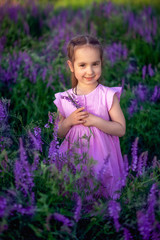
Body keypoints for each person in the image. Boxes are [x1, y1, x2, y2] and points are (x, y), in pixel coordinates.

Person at [54, 35, 126, 198]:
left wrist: (96, 121)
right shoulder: (64, 98)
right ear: (71, 66)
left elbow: (121, 129)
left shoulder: (108, 95)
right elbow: (58, 133)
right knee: (74, 192)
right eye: (83, 65)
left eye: (95, 64)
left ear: (101, 63)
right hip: (74, 158)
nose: (90, 71)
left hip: (103, 158)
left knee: (103, 194)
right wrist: (69, 122)